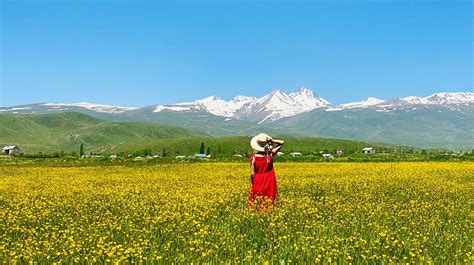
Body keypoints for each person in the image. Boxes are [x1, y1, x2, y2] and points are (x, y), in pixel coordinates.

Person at [248, 133, 284, 210]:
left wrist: (253, 183)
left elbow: (252, 173)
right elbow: (282, 143)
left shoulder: (253, 157)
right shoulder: (270, 154)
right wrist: (273, 141)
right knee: (270, 198)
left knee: (258, 200)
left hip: (258, 180)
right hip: (270, 179)